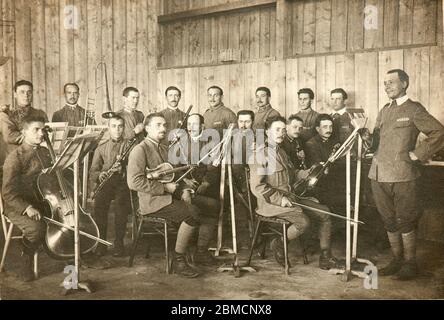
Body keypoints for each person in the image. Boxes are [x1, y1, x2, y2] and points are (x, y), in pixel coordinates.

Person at [368, 69, 444, 280]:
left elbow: (439, 131)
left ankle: (410, 264)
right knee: (389, 220)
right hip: (378, 175)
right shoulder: (384, 110)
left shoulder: (414, 109)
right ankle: (397, 260)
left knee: (406, 220)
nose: (387, 87)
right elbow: (375, 140)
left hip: (403, 175)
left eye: (391, 82)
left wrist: (418, 153)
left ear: (404, 84)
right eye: (384, 83)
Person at [249, 116, 338, 270]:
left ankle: (325, 257)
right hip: (271, 204)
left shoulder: (281, 151)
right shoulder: (260, 155)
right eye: (277, 129)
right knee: (303, 222)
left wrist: (308, 172)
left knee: (325, 213)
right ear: (267, 132)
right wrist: (280, 199)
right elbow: (258, 187)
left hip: (291, 197)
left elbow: (293, 173)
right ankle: (279, 243)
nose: (281, 133)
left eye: (283, 130)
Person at [127, 113, 203, 278]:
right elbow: (134, 182)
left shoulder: (163, 147)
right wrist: (166, 189)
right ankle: (178, 259)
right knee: (192, 213)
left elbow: (171, 176)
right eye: (158, 125)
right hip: (152, 202)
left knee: (210, 205)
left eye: (164, 125)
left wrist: (184, 188)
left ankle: (199, 252)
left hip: (168, 197)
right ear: (147, 129)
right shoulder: (139, 150)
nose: (163, 128)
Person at [2, 116, 51, 282]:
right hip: (18, 205)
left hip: (41, 200)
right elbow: (8, 193)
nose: (41, 133)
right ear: (24, 132)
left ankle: (65, 255)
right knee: (36, 228)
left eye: (43, 129)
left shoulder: (45, 152)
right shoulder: (15, 157)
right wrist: (27, 208)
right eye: (35, 130)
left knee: (66, 218)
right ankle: (26, 260)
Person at [176, 113, 221, 265]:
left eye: (195, 124)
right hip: (183, 187)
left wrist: (206, 183)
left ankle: (201, 250)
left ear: (202, 126)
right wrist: (185, 180)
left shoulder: (211, 142)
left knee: (213, 205)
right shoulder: (179, 143)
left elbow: (214, 169)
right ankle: (189, 248)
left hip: (205, 187)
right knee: (199, 207)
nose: (191, 127)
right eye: (189, 124)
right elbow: (174, 168)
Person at [89, 114, 131, 257]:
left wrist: (123, 169)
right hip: (106, 183)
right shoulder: (101, 148)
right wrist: (100, 175)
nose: (117, 130)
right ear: (108, 128)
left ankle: (119, 243)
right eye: (113, 126)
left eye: (120, 126)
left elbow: (137, 168)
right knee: (99, 205)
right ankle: (101, 244)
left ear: (124, 128)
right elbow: (93, 171)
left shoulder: (130, 145)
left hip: (123, 183)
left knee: (121, 207)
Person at [0, 80, 48, 158]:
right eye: (22, 92)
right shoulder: (6, 114)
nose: (26, 95)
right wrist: (35, 137)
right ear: (15, 94)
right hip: (17, 157)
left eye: (29, 92)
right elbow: (10, 136)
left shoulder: (40, 113)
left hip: (38, 157)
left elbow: (47, 134)